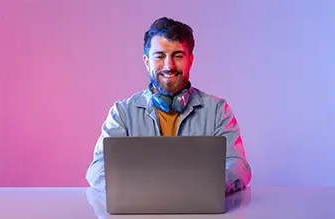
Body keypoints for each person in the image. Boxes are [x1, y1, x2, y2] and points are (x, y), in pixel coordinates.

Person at [85, 17, 251, 194]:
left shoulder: (218, 110)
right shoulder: (122, 113)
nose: (169, 65)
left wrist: (197, 188)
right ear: (147, 61)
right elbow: (97, 170)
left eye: (178, 56)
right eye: (160, 56)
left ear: (190, 60)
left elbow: (239, 167)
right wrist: (148, 191)